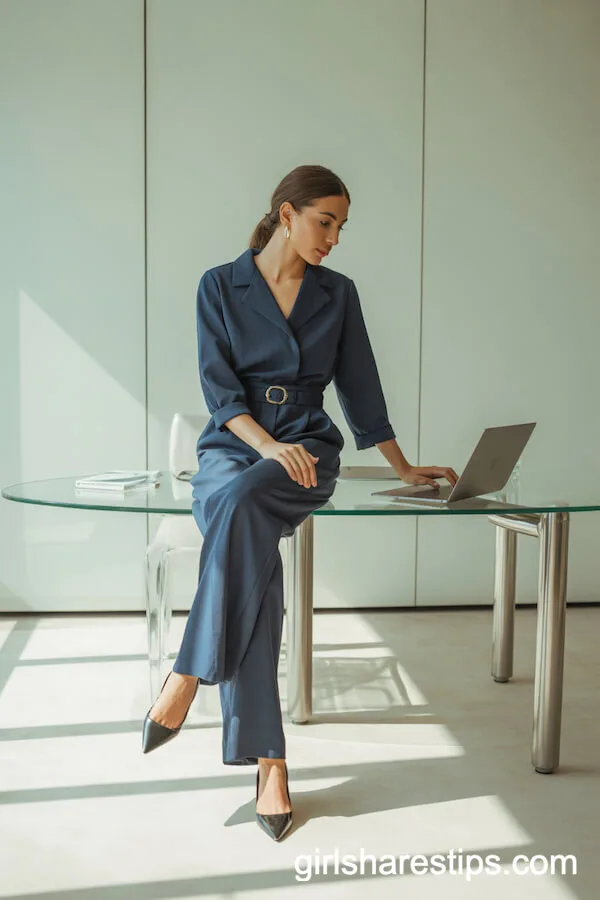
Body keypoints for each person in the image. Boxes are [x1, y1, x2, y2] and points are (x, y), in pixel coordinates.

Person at [141, 164, 458, 841]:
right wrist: (260, 446)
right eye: (326, 221)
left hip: (309, 449)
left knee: (242, 515)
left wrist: (404, 465)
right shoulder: (219, 286)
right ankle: (272, 762)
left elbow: (362, 389)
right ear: (286, 214)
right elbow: (220, 392)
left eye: (341, 226)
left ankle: (190, 670)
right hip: (233, 449)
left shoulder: (337, 294)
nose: (335, 238)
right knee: (247, 528)